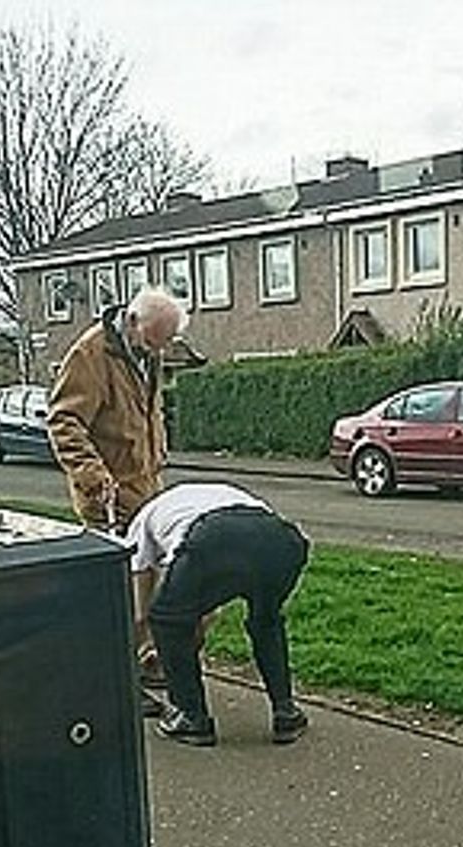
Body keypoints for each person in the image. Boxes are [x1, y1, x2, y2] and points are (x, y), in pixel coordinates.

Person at [47, 286, 187, 716]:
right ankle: (114, 679)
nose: (157, 350)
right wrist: (92, 476)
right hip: (108, 494)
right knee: (116, 593)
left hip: (147, 487)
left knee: (155, 585)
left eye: (163, 344)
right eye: (153, 340)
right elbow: (63, 420)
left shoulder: (149, 351)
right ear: (131, 321)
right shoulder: (91, 354)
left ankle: (145, 661)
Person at [125, 482, 310, 747]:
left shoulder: (140, 527)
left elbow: (140, 614)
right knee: (266, 620)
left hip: (214, 535)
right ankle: (286, 713)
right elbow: (204, 606)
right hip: (279, 539)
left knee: (166, 620)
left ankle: (191, 718)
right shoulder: (190, 502)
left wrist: (135, 663)